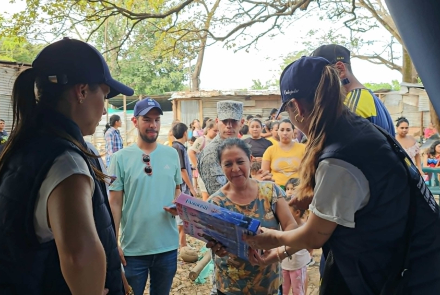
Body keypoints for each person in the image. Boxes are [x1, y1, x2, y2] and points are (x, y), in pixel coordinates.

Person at [244, 56, 440, 294]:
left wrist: (272, 239)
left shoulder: (339, 159)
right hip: (412, 258)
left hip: (404, 273)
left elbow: (315, 236)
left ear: (297, 107)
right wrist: (283, 250)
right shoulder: (357, 129)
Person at [0, 37, 134, 294]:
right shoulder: (66, 162)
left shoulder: (22, 146)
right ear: (82, 91)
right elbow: (78, 256)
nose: (104, 111)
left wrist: (112, 257)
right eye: (103, 95)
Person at [108, 98, 182, 295]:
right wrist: (114, 243)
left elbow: (177, 189)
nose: (153, 125)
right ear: (135, 122)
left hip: (167, 247)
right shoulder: (120, 158)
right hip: (134, 250)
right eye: (147, 119)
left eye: (157, 120)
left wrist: (178, 204)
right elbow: (114, 203)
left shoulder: (171, 154)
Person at [207, 138, 296, 295]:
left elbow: (291, 226)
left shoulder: (270, 191)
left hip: (268, 282)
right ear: (221, 167)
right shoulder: (215, 202)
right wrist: (217, 248)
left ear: (250, 160)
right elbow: (213, 240)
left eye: (240, 161)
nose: (235, 169)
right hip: (230, 286)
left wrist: (279, 250)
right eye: (228, 164)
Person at [311, 44, 395, 136]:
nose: (318, 83)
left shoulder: (352, 106)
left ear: (340, 69)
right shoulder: (370, 98)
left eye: (321, 76)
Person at [280, 178, 310, 295]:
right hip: (284, 265)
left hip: (298, 265)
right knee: (284, 289)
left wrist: (309, 256)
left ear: (297, 213)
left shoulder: (304, 227)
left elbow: (311, 244)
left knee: (298, 290)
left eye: (286, 211)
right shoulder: (282, 225)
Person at [172, 122, 198, 251]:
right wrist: (192, 188)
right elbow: (182, 170)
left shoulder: (178, 146)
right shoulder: (179, 148)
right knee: (181, 218)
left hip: (181, 188)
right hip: (182, 189)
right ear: (184, 133)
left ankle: (183, 243)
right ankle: (182, 245)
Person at [262, 119, 306, 188]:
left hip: (298, 189)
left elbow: (309, 172)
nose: (285, 133)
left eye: (288, 130)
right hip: (276, 190)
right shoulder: (270, 150)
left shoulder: (303, 149)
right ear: (278, 132)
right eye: (282, 130)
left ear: (293, 131)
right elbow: (265, 174)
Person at [188, 120, 219, 201]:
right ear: (208, 129)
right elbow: (191, 152)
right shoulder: (202, 139)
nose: (217, 133)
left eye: (218, 131)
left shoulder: (217, 141)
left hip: (215, 173)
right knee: (206, 197)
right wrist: (197, 166)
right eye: (215, 130)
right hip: (204, 173)